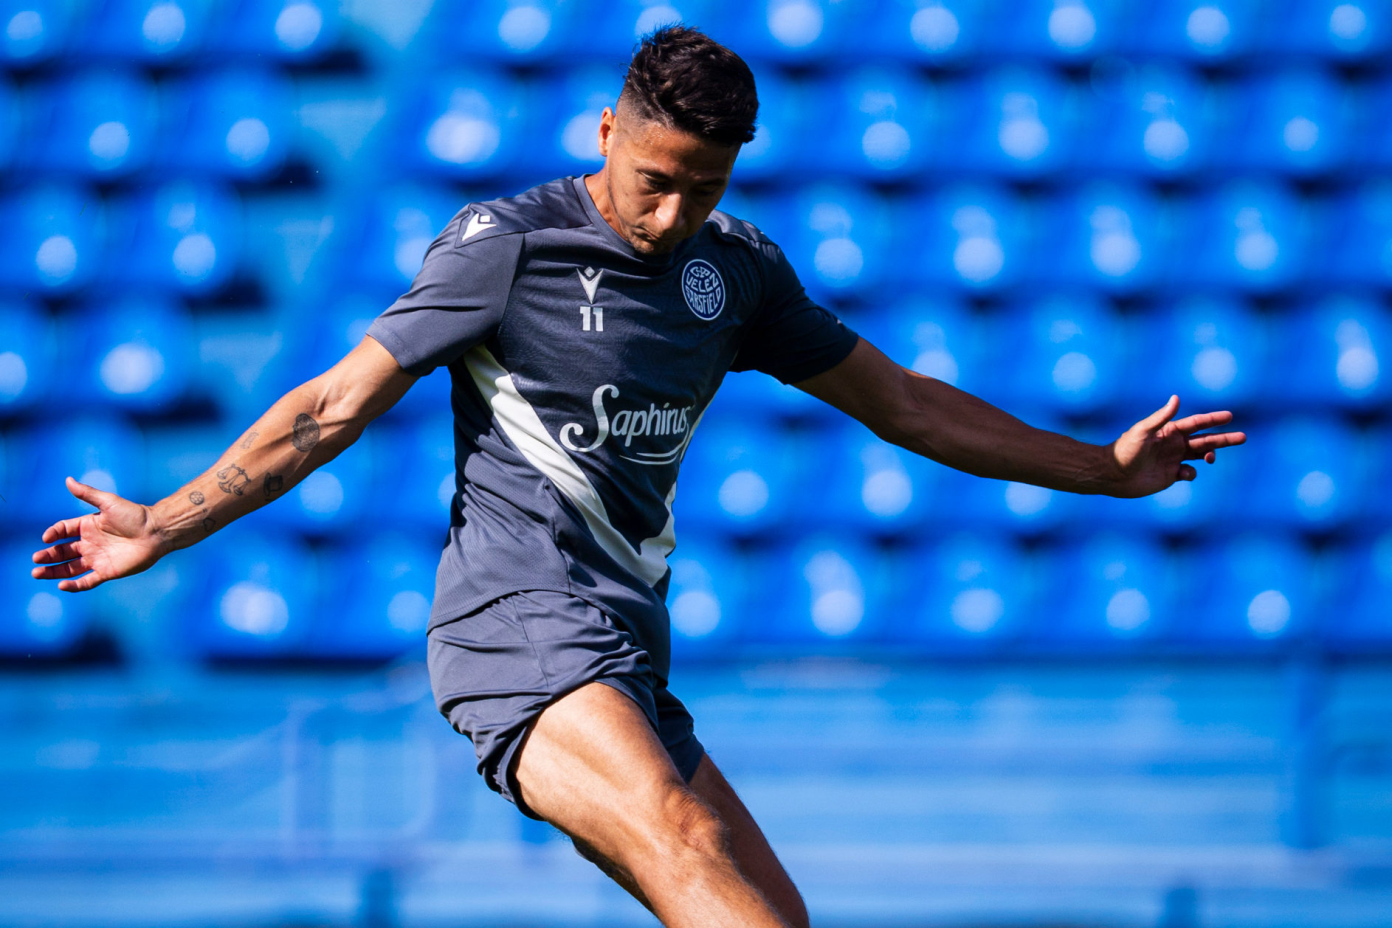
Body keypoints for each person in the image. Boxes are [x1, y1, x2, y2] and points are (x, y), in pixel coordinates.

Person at [29, 26, 1246, 928]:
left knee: (760, 903)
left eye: (702, 189)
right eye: (653, 180)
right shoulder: (509, 247)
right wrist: (165, 524)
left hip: (625, 645)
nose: (669, 215)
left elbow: (906, 404)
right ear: (606, 133)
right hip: (514, 627)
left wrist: (1102, 470)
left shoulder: (738, 272)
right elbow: (329, 406)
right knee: (682, 836)